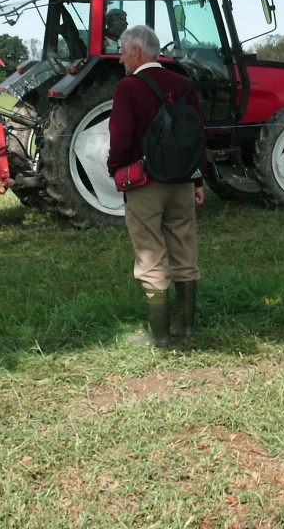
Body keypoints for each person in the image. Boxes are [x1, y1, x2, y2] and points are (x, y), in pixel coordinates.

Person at [107, 25, 206, 347]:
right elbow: (197, 136)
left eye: (122, 52)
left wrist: (115, 169)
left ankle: (160, 336)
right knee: (184, 252)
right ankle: (186, 328)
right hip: (182, 182)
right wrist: (198, 179)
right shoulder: (185, 84)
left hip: (145, 183)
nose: (120, 59)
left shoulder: (129, 88)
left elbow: (121, 138)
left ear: (136, 51)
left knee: (150, 256)